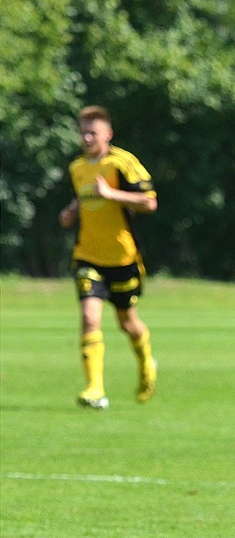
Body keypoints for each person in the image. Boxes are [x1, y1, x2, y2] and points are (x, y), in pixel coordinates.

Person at [58, 105, 158, 409]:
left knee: (127, 323)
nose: (87, 138)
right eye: (83, 132)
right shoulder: (77, 168)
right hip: (88, 255)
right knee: (89, 317)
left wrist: (113, 195)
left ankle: (146, 363)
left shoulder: (123, 163)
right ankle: (95, 389)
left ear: (108, 134)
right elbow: (82, 198)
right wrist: (71, 212)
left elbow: (149, 203)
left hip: (123, 258)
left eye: (93, 132)